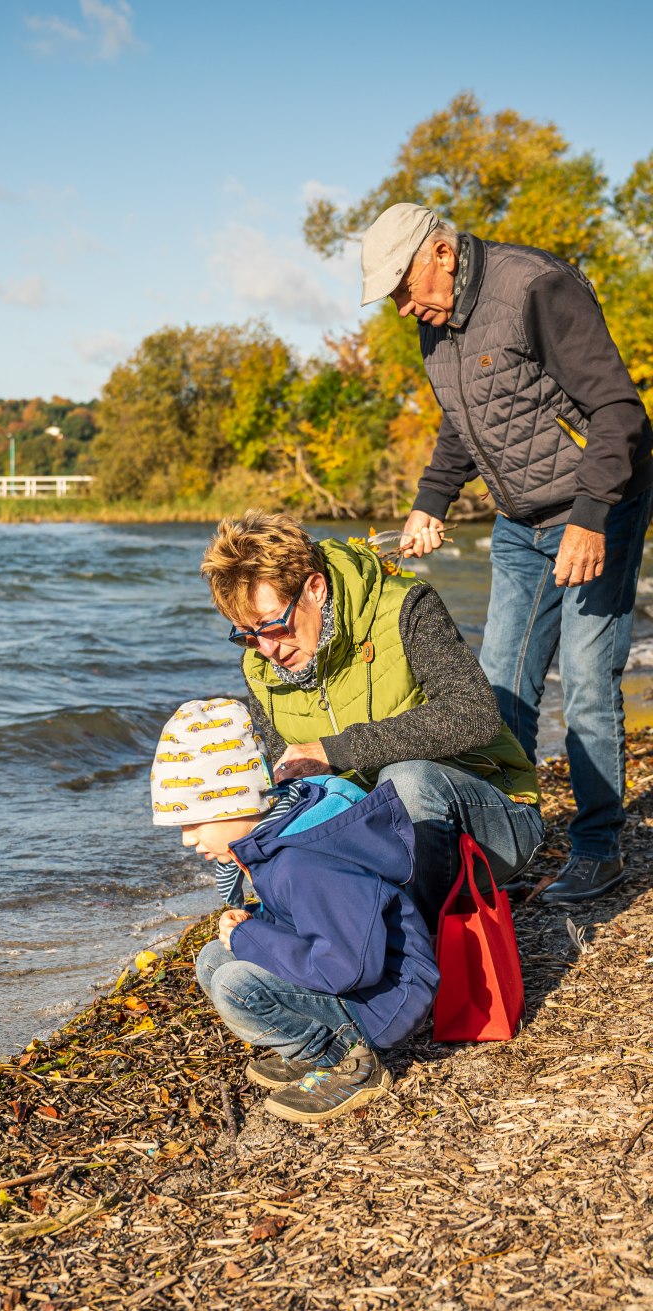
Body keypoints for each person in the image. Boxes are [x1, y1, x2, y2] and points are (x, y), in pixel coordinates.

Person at [359, 203, 653, 905]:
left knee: (585, 679)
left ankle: (597, 848)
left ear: (442, 253)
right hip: (519, 523)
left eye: (402, 287)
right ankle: (503, 842)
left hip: (599, 508)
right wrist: (432, 498)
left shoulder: (534, 286)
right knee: (499, 689)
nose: (401, 308)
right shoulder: (437, 327)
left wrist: (589, 517)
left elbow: (621, 411)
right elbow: (466, 421)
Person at [199, 510, 544, 931]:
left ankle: (417, 951)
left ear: (315, 589)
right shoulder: (259, 668)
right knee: (227, 958)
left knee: (406, 783)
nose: (266, 648)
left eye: (273, 625)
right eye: (247, 634)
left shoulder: (405, 607)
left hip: (492, 819)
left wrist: (335, 751)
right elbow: (291, 793)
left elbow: (473, 715)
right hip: (374, 838)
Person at [150, 696, 439, 1123]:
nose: (187, 840)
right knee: (214, 958)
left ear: (234, 804)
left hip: (383, 998)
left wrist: (253, 938)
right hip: (353, 980)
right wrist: (256, 921)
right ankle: (318, 1043)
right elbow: (302, 921)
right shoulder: (278, 837)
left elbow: (349, 966)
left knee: (235, 984)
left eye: (192, 822)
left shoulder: (303, 861)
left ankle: (346, 1060)